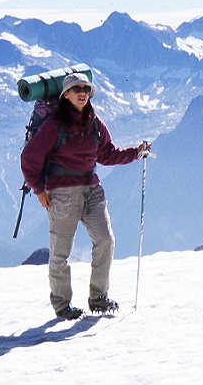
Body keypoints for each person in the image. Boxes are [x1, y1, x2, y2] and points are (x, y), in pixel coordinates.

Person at [21, 72, 151, 319]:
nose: (82, 93)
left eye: (86, 89)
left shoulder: (94, 122)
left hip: (92, 189)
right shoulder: (53, 124)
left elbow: (107, 154)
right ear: (65, 94)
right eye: (76, 89)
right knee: (60, 253)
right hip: (62, 194)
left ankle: (98, 298)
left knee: (106, 240)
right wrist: (38, 190)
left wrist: (136, 153)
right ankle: (62, 306)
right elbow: (29, 157)